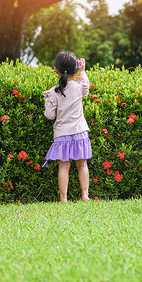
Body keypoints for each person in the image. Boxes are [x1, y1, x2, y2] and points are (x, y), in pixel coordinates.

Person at [42, 51, 91, 202]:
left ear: (56, 70)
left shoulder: (53, 92)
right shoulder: (79, 87)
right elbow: (86, 86)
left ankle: (63, 198)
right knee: (82, 165)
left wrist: (48, 104)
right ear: (75, 70)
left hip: (62, 134)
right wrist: (83, 72)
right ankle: (85, 195)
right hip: (79, 131)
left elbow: (49, 115)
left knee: (64, 167)